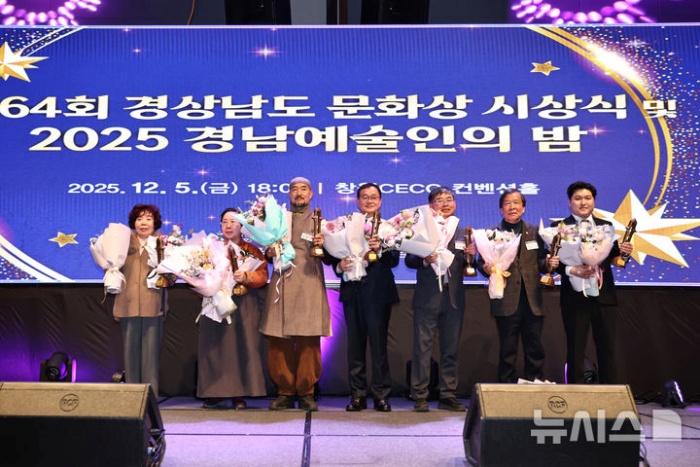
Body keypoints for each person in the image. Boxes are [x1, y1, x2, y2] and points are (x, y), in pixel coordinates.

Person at [260, 177, 332, 411]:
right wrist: (269, 251)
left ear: (311, 194)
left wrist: (325, 244)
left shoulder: (321, 222)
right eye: (294, 189)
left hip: (309, 282)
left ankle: (306, 391)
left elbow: (331, 256)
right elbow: (267, 252)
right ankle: (285, 391)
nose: (298, 193)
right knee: (278, 339)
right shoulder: (278, 220)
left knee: (308, 339)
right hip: (281, 282)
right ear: (289, 194)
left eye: (303, 189)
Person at [554, 181, 633, 384]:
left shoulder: (606, 227)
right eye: (578, 198)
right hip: (574, 298)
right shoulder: (559, 228)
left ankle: (610, 393)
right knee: (575, 350)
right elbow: (552, 263)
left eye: (587, 198)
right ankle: (576, 394)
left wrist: (624, 252)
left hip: (604, 297)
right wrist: (572, 269)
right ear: (569, 202)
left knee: (607, 349)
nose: (583, 202)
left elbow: (615, 258)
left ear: (594, 201)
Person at [405, 186, 476, 412]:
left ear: (455, 204)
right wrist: (424, 260)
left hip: (453, 298)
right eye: (439, 200)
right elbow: (409, 261)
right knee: (422, 348)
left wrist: (472, 257)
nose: (445, 203)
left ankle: (448, 395)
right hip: (427, 297)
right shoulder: (422, 229)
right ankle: (420, 394)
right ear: (431, 206)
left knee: (451, 349)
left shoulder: (463, 231)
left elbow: (468, 267)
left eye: (449, 199)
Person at [477, 189, 557, 383]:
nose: (512, 207)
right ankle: (506, 386)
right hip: (506, 297)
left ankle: (535, 382)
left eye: (516, 203)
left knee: (534, 346)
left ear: (523, 207)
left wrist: (548, 264)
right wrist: (487, 269)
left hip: (532, 298)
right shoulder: (491, 233)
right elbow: (481, 264)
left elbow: (541, 263)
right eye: (507, 203)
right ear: (501, 209)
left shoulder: (536, 232)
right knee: (508, 348)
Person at [333, 183, 400, 412]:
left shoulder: (389, 228)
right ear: (357, 201)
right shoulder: (345, 225)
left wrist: (380, 249)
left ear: (380, 201)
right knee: (355, 346)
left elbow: (393, 261)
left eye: (373, 197)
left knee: (379, 346)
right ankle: (357, 395)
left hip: (378, 293)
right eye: (364, 197)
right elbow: (333, 257)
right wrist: (339, 265)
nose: (369, 201)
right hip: (353, 291)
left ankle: (381, 395)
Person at [197, 208, 269, 410]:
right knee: (214, 348)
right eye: (225, 222)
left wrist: (247, 277)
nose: (228, 226)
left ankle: (240, 393)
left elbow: (262, 276)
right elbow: (198, 274)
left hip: (243, 304)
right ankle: (214, 392)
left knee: (242, 347)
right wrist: (206, 285)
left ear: (242, 226)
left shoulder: (251, 250)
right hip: (215, 304)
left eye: (233, 222)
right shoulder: (210, 249)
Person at [113, 204, 167, 396]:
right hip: (127, 303)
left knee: (151, 355)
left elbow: (173, 273)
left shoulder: (164, 243)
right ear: (133, 222)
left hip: (153, 304)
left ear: (155, 222)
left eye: (148, 219)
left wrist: (168, 277)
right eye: (139, 219)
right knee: (130, 354)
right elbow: (111, 266)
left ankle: (150, 396)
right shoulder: (121, 242)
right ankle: (132, 396)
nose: (143, 223)